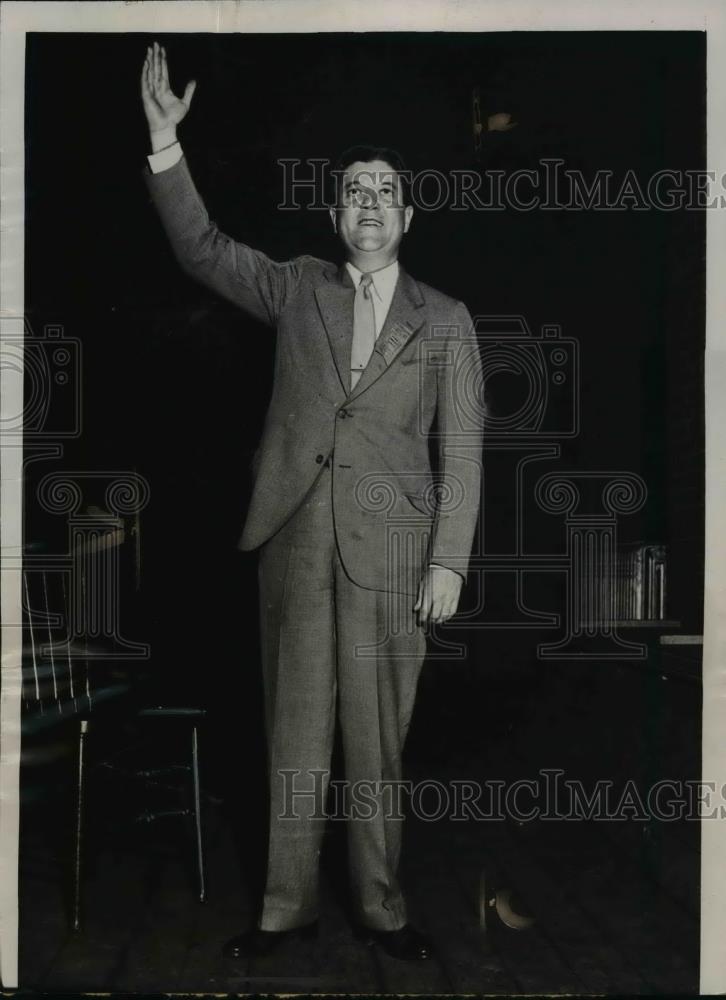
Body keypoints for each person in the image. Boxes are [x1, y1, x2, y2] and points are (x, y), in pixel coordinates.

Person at [141, 42, 484, 963]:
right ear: (338, 215)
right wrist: (166, 146)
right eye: (355, 191)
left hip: (395, 559)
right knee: (293, 735)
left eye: (385, 191)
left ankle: (382, 908)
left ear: (405, 216)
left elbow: (466, 448)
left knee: (377, 744)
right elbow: (201, 250)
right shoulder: (295, 287)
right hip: (295, 543)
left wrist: (448, 560)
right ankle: (283, 912)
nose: (369, 203)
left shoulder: (445, 319)